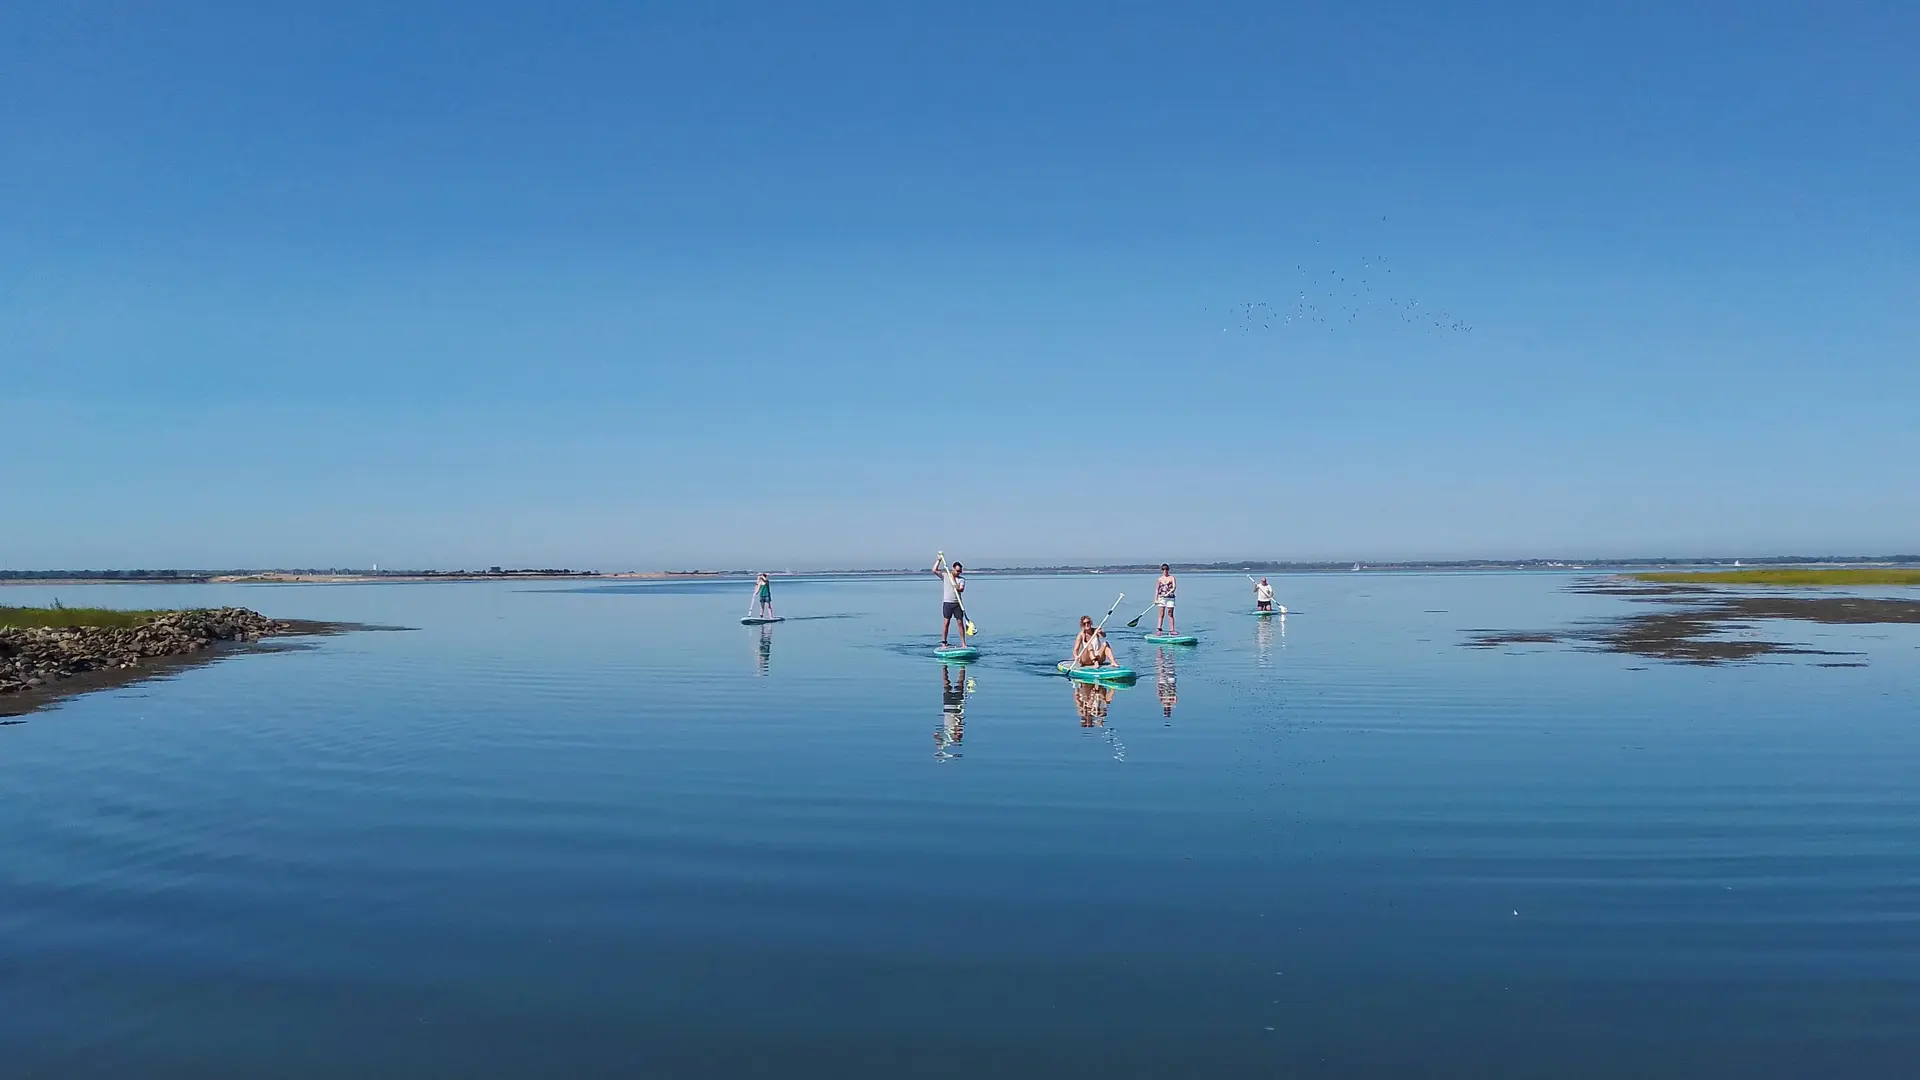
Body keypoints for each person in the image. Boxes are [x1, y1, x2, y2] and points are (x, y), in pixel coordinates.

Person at [933, 555, 968, 647]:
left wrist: (954, 581)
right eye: (957, 571)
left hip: (957, 603)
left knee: (960, 623)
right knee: (946, 623)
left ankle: (963, 644)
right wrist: (939, 560)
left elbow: (961, 589)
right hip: (947, 603)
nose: (959, 572)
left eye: (960, 571)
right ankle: (944, 643)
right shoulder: (945, 576)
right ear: (953, 569)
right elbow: (934, 570)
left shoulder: (961, 579)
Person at [1154, 563, 1178, 634]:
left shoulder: (1172, 578)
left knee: (1170, 613)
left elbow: (1174, 587)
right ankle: (1159, 629)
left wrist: (1168, 593)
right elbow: (1157, 589)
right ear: (1162, 570)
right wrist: (1156, 599)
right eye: (1163, 569)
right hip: (1161, 598)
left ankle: (1172, 630)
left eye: (1166, 569)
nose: (1165, 571)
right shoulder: (1159, 579)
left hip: (1170, 598)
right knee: (1161, 614)